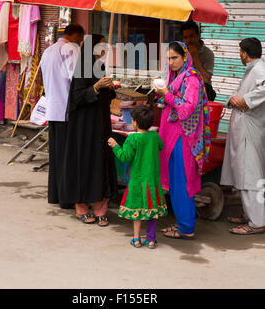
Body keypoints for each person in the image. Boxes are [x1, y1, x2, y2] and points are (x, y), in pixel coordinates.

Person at [60, 34, 118, 226]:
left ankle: (101, 207)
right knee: (84, 162)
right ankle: (82, 207)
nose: (105, 50)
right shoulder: (81, 68)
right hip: (84, 126)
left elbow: (106, 95)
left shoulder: (99, 67)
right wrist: (95, 87)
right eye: (102, 46)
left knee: (100, 161)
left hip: (100, 123)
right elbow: (76, 98)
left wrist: (109, 88)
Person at [155, 41, 210, 239]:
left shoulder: (192, 79)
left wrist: (166, 95)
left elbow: (186, 109)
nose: (171, 62)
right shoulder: (177, 77)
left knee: (183, 183)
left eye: (175, 58)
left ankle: (186, 227)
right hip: (172, 136)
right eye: (168, 58)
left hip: (184, 138)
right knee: (176, 183)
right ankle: (181, 224)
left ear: (185, 57)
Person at [220, 37, 265, 236]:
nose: (239, 55)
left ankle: (256, 222)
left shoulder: (259, 70)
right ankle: (250, 215)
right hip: (245, 129)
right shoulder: (253, 70)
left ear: (244, 53)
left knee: (250, 174)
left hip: (251, 130)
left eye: (239, 51)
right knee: (244, 173)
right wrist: (235, 100)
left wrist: (245, 101)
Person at [108, 105, 167, 249]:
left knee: (137, 212)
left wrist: (115, 145)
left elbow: (125, 157)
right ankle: (151, 239)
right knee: (152, 211)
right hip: (152, 181)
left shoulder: (132, 139)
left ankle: (136, 239)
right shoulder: (154, 136)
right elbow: (161, 146)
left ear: (134, 122)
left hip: (137, 182)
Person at [40, 23, 84, 208]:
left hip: (52, 108)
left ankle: (55, 195)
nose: (81, 43)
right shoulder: (70, 50)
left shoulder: (48, 51)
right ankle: (66, 199)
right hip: (66, 109)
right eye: (80, 39)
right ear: (74, 36)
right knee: (67, 157)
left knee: (56, 156)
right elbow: (76, 78)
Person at [181, 20, 216, 101]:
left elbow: (206, 79)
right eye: (185, 37)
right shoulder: (183, 51)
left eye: (191, 36)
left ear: (198, 35)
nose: (188, 40)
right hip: (185, 91)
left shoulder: (208, 53)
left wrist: (195, 57)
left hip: (202, 93)